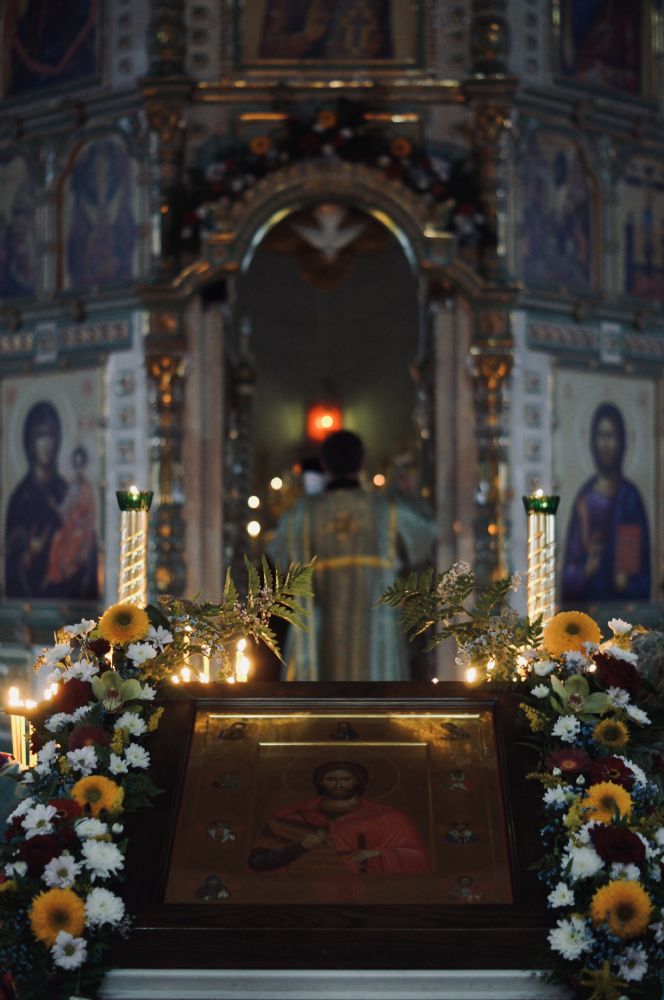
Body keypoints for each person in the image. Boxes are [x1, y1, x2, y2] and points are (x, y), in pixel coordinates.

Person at [266, 429, 436, 681]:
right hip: (376, 640)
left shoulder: (302, 515)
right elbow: (427, 535)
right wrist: (409, 494)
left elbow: (276, 559)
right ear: (362, 462)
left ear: (325, 464)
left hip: (319, 638)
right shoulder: (387, 510)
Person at [248, 760, 429, 874]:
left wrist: (378, 852)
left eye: (345, 779)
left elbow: (417, 858)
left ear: (358, 782)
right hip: (301, 889)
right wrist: (301, 846)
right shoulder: (291, 815)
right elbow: (258, 862)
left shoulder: (387, 817)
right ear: (320, 782)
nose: (338, 785)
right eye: (330, 779)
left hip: (368, 891)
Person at [561, 402, 650, 602]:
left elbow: (646, 575)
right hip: (587, 612)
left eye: (611, 436)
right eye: (600, 435)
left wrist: (627, 583)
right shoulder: (585, 499)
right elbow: (569, 576)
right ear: (593, 441)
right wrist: (586, 569)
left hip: (628, 615)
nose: (605, 444)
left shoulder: (631, 498)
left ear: (621, 441)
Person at [43, 446, 98, 597]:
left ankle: (66, 576)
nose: (78, 469)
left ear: (84, 466)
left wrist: (85, 541)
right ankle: (54, 578)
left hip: (82, 531)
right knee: (57, 538)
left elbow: (90, 515)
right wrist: (54, 505)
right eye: (76, 465)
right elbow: (64, 509)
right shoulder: (72, 485)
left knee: (73, 545)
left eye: (81, 465)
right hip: (69, 527)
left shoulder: (88, 488)